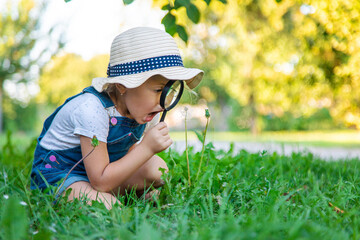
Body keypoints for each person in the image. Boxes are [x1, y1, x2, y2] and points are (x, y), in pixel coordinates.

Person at [30, 27, 204, 209]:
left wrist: (144, 152)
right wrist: (146, 148)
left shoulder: (145, 109)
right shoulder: (92, 110)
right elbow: (100, 181)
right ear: (122, 85)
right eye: (158, 90)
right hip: (60, 174)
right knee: (109, 208)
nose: (164, 101)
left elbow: (127, 153)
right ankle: (102, 197)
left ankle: (106, 194)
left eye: (171, 90)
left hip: (102, 170)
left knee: (158, 171)